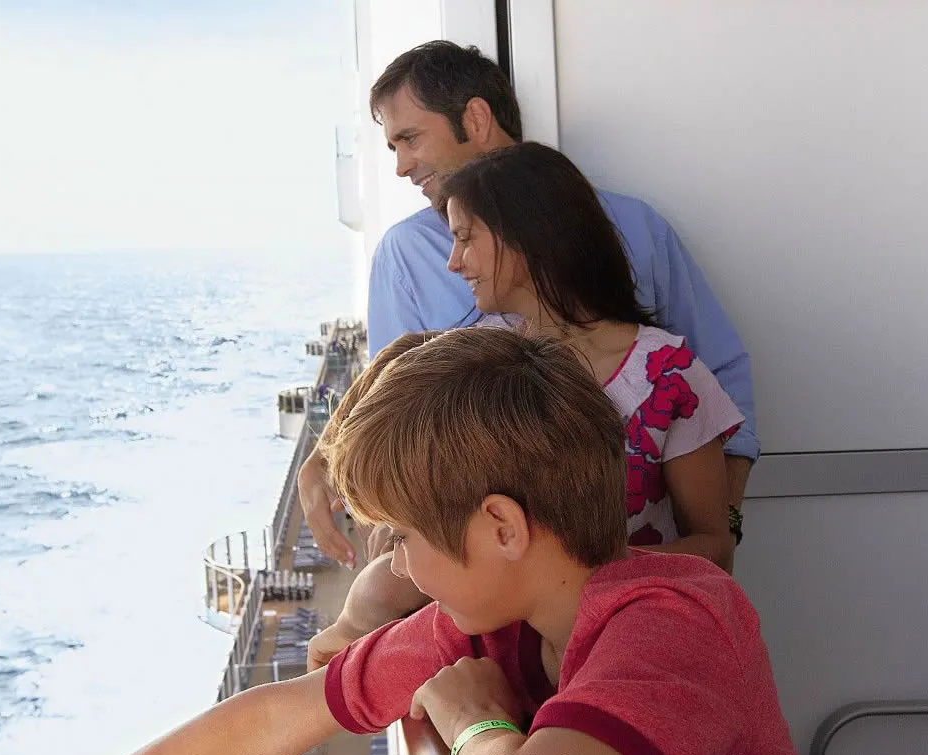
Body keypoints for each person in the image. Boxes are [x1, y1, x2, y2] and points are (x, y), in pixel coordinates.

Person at [0, 328, 824, 755]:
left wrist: (472, 720)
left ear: (501, 527)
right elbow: (282, 712)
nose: (401, 569)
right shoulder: (489, 620)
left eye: (408, 539)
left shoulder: (677, 619)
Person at [297, 41, 758, 570]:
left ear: (475, 116)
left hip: (642, 598)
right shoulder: (405, 256)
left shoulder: (639, 231)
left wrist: (719, 528)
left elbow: (717, 384)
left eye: (410, 138)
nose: (402, 166)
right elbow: (400, 401)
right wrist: (330, 455)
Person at [308, 142, 744, 668]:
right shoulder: (477, 364)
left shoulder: (669, 376)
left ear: (529, 237)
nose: (453, 261)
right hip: (500, 659)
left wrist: (583, 578)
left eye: (467, 238)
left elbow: (714, 546)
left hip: (624, 653)